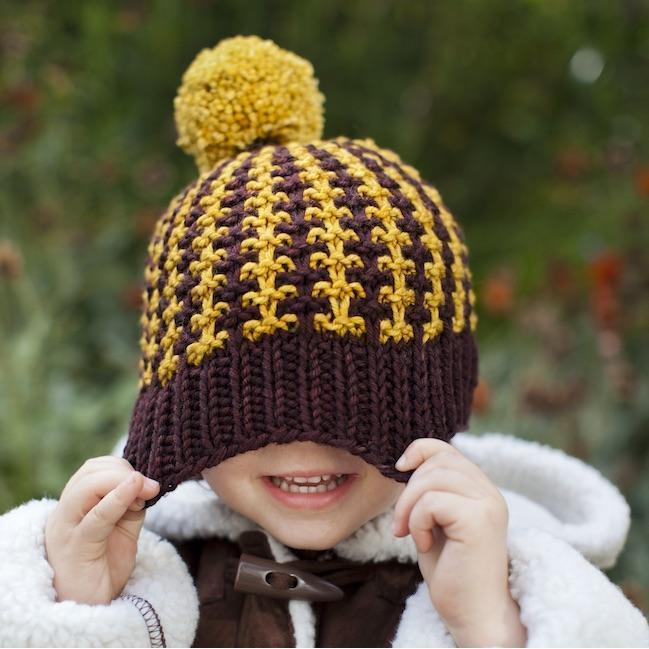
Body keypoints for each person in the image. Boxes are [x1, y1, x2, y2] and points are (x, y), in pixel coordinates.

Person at [0, 35, 647, 648]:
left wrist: (490, 624)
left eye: (357, 399)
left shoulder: (500, 574)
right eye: (253, 400)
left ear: (434, 399)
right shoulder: (145, 576)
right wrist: (81, 608)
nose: (306, 440)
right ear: (183, 416)